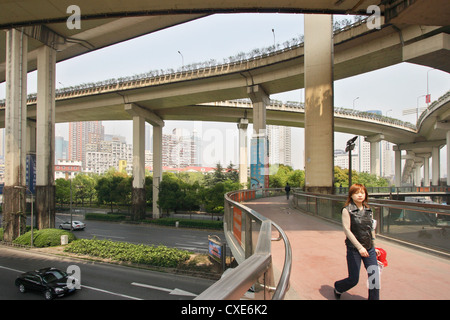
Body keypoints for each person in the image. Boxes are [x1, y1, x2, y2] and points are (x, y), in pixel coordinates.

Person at [334, 183, 380, 300]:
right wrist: (359, 247)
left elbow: (371, 229)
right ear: (351, 195)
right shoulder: (347, 210)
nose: (360, 195)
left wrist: (375, 246)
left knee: (374, 277)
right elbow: (347, 231)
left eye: (362, 192)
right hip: (354, 249)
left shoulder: (369, 210)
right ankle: (338, 287)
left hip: (369, 248)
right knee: (353, 279)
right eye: (356, 193)